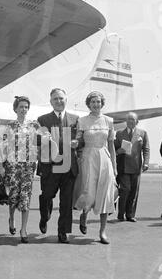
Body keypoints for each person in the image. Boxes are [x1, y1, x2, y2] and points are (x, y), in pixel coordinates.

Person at [0, 96, 43, 243]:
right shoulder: (8, 126)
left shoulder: (34, 126)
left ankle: (24, 229)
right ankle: (11, 219)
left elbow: (42, 143)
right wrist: (0, 166)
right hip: (12, 166)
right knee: (13, 197)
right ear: (15, 108)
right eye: (21, 106)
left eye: (26, 107)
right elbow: (2, 147)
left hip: (28, 167)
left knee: (26, 198)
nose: (23, 109)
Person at [73, 91, 117, 244]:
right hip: (88, 157)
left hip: (104, 158)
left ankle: (102, 231)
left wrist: (114, 167)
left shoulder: (109, 121)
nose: (96, 104)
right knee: (88, 191)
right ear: (88, 104)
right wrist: (75, 143)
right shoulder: (82, 120)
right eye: (93, 102)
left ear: (102, 103)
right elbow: (78, 141)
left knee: (105, 194)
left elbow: (111, 145)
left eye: (98, 102)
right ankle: (84, 214)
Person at [37, 88, 80, 243]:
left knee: (66, 202)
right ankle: (44, 216)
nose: (59, 101)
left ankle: (63, 232)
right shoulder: (42, 120)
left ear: (66, 100)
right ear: (51, 102)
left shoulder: (76, 120)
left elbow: (81, 140)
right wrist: (42, 139)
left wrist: (78, 143)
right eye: (55, 99)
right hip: (50, 167)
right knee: (46, 195)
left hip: (69, 167)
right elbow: (36, 142)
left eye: (61, 98)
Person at [114, 112, 150, 222]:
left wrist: (146, 163)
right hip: (123, 166)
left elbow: (146, 149)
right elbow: (113, 149)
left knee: (133, 191)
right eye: (128, 119)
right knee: (125, 189)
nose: (130, 121)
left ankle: (129, 214)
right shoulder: (119, 133)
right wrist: (118, 151)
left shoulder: (142, 133)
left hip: (136, 166)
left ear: (137, 122)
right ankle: (121, 213)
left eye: (132, 119)